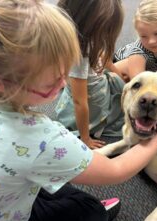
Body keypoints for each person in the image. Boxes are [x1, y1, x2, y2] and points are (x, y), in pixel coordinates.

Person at [0, 1, 157, 221]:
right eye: (54, 81)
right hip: (1, 216)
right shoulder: (40, 139)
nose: (65, 82)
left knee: (41, 176)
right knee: (90, 210)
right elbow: (116, 170)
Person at [54, 0, 126, 149]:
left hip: (99, 86)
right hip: (89, 101)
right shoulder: (79, 59)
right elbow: (80, 102)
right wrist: (85, 138)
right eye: (105, 30)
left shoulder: (92, 38)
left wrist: (119, 76)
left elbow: (103, 56)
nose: (106, 35)